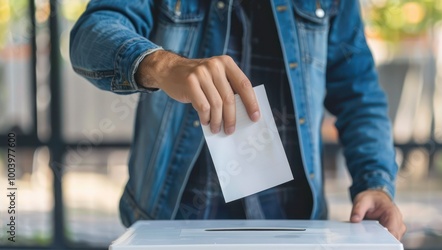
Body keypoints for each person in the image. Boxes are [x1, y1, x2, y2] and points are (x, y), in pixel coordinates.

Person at [70, 0, 406, 240]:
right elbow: (90, 33)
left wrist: (375, 182)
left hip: (295, 230)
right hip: (172, 227)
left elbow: (359, 95)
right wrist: (162, 65)